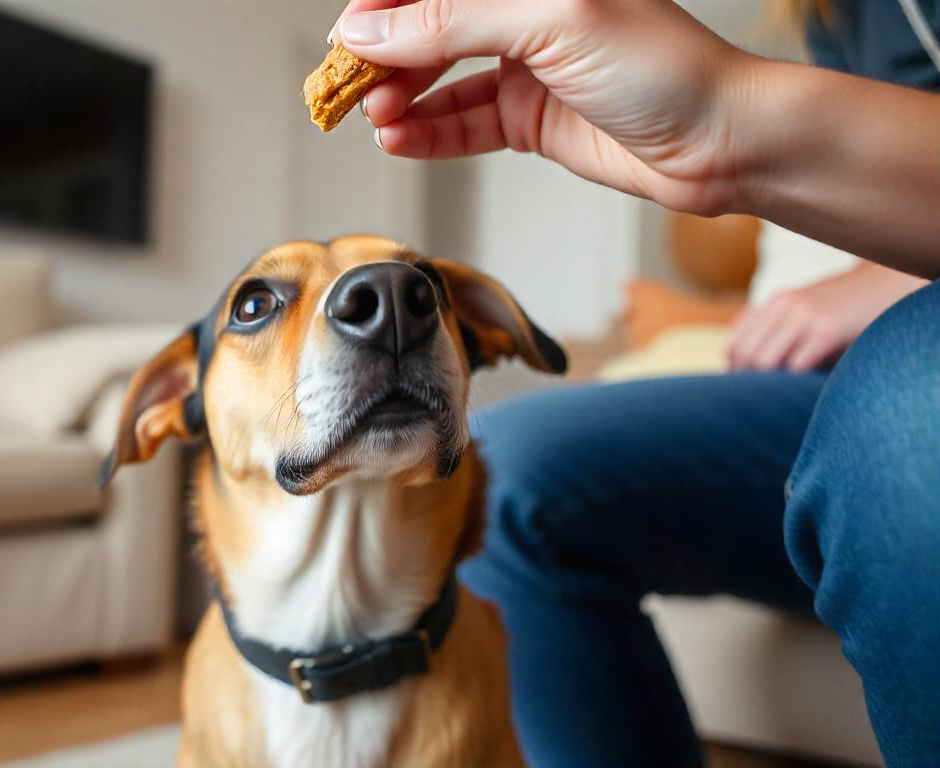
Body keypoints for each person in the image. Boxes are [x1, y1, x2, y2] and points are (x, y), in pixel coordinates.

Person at [328, 0, 940, 765]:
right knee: (498, 474)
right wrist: (723, 133)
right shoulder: (835, 14)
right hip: (827, 392)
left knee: (908, 410)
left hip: (903, 377)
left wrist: (874, 285)